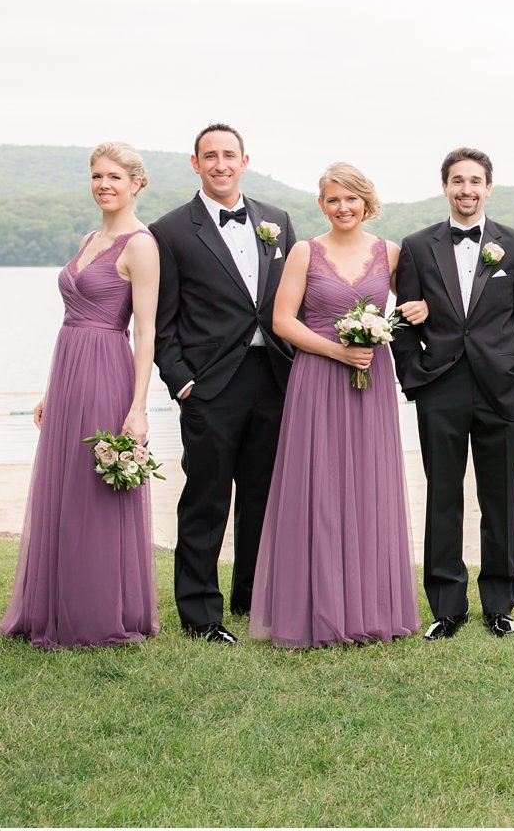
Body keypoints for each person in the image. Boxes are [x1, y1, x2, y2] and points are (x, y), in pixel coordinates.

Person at [248, 164, 429, 648]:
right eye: (332, 200)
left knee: (369, 486)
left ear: (366, 201)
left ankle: (371, 606)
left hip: (371, 381)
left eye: (351, 199)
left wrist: (420, 308)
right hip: (317, 377)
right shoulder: (305, 252)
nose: (343, 208)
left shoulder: (390, 252)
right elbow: (282, 321)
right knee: (320, 486)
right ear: (321, 205)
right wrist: (335, 350)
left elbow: (413, 306)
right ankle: (318, 608)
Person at [0, 142, 160, 648]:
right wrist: (49, 391)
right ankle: (54, 602)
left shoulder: (140, 245)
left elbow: (146, 332)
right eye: (95, 176)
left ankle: (100, 611)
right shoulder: (90, 236)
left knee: (95, 490)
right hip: (68, 368)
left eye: (113, 176)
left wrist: (137, 407)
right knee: (63, 486)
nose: (103, 184)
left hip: (106, 369)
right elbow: (70, 320)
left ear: (136, 183)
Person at [150, 123, 296, 645]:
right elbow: (163, 322)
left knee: (263, 496)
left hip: (273, 378)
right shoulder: (168, 231)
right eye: (209, 156)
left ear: (245, 160)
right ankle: (200, 613)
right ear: (195, 164)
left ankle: (252, 597)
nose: (220, 164)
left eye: (229, 155)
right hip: (210, 386)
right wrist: (181, 381)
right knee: (206, 498)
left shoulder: (276, 221)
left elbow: (294, 301)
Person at [393, 148, 514, 640]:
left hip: (502, 392)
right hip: (441, 388)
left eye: (475, 181)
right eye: (457, 181)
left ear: (489, 187)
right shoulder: (416, 247)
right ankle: (447, 606)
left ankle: (500, 603)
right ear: (445, 187)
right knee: (442, 496)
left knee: (500, 498)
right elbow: (402, 321)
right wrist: (415, 376)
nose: (466, 190)